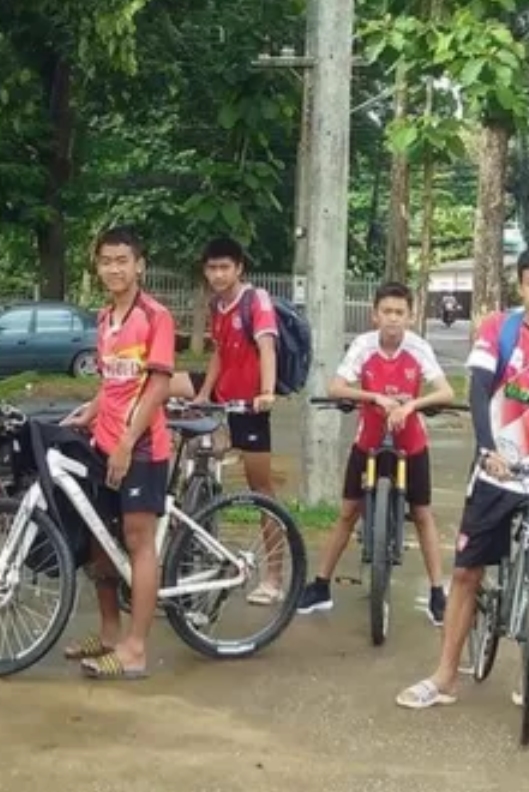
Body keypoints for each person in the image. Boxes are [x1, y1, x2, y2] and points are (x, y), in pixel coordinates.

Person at [397, 244, 529, 716]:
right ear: (521, 286)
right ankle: (444, 676)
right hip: (499, 468)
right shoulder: (498, 330)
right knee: (467, 570)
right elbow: (479, 390)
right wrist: (487, 448)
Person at [297, 282, 455, 624]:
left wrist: (412, 404)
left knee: (424, 514)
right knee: (348, 512)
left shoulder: (418, 347)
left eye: (400, 313)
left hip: (411, 443)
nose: (393, 319)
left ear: (410, 317)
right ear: (375, 315)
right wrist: (375, 398)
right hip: (368, 441)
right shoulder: (363, 345)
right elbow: (336, 386)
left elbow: (445, 391)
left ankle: (436, 593)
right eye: (387, 312)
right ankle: (321, 586)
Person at [61, 228, 175, 681]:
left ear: (139, 265)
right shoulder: (105, 317)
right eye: (106, 260)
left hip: (141, 448)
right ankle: (109, 633)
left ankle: (135, 649)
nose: (114, 268)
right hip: (103, 444)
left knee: (137, 541)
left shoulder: (155, 316)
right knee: (98, 539)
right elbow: (112, 382)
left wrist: (128, 441)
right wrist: (88, 414)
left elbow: (158, 385)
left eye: (122, 260)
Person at [190, 237, 286, 603]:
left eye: (224, 267)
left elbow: (266, 347)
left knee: (261, 490)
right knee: (173, 398)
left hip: (250, 405)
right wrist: (203, 394)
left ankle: (274, 576)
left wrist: (266, 391)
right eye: (212, 268)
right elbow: (218, 353)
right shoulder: (217, 305)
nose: (217, 274)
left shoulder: (254, 300)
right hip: (223, 400)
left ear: (239, 268)